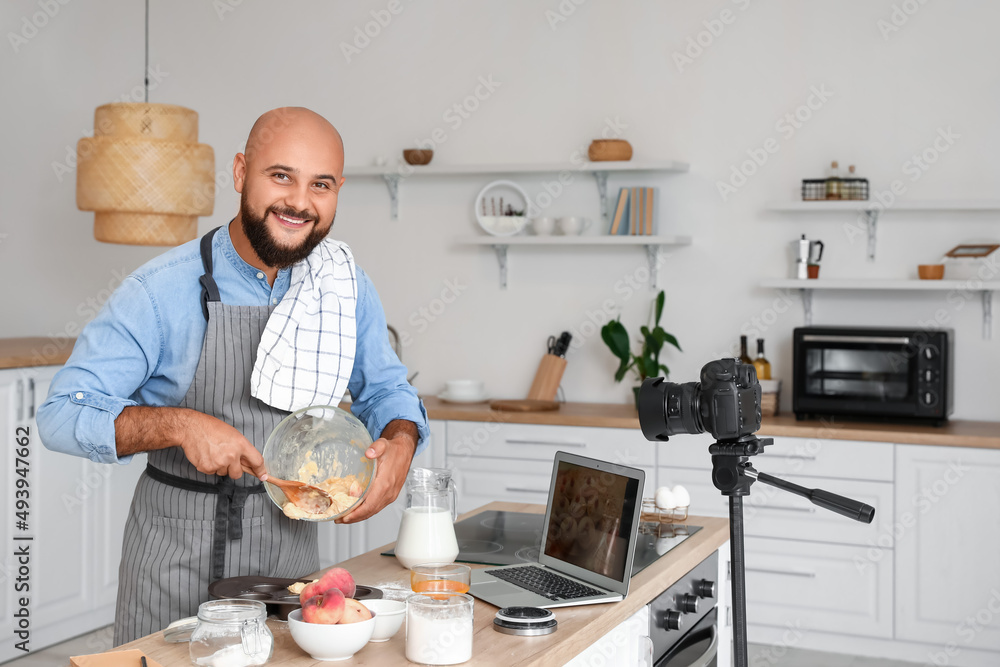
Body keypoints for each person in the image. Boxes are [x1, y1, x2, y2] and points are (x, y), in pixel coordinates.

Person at [37, 107, 428, 644]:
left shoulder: (344, 287)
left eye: (320, 184)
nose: (299, 201)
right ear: (241, 173)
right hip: (176, 564)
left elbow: (387, 390)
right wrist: (180, 426)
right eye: (281, 176)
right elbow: (62, 414)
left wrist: (402, 440)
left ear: (338, 190)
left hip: (293, 567)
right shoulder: (160, 291)